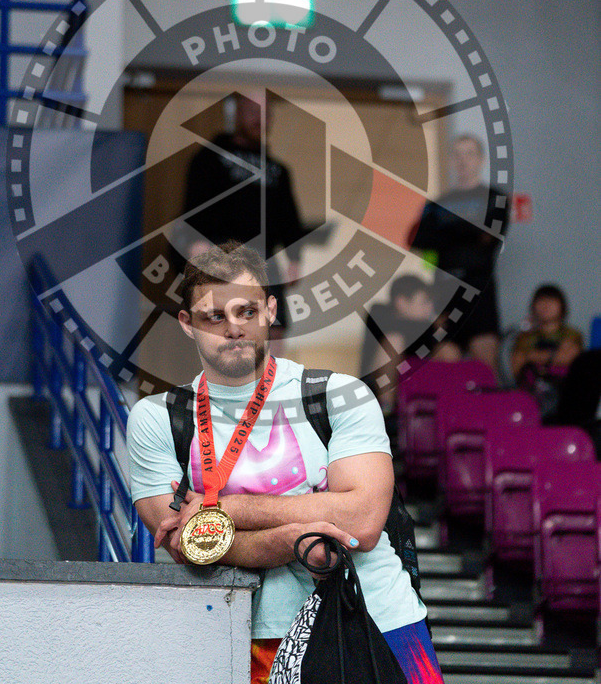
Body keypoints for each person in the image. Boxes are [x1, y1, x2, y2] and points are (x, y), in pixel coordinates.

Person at [127, 241, 445, 684]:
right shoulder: (157, 417)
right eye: (214, 316)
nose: (233, 328)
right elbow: (190, 548)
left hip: (375, 616)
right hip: (249, 634)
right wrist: (296, 537)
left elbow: (365, 521)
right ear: (187, 323)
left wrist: (226, 511)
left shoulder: (340, 395)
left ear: (271, 310)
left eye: (246, 312)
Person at [178, 91, 306, 344]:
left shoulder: (278, 171)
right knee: (223, 323)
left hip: (264, 257)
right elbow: (194, 205)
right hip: (223, 252)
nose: (260, 119)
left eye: (266, 114)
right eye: (252, 112)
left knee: (274, 328)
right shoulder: (210, 158)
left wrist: (295, 258)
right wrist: (196, 242)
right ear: (236, 114)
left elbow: (290, 220)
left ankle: (272, 383)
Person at [409, 134, 509, 371]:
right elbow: (417, 239)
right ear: (451, 160)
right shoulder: (437, 202)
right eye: (458, 154)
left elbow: (488, 238)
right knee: (445, 362)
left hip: (479, 291)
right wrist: (467, 231)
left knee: (484, 364)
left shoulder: (495, 198)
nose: (463, 160)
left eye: (470, 153)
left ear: (481, 160)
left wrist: (445, 232)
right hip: (443, 292)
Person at [361, 274, 461, 409]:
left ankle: (447, 408)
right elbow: (401, 329)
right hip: (376, 389)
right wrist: (434, 327)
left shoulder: (425, 330)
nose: (429, 308)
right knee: (394, 341)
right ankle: (385, 408)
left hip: (416, 385)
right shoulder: (381, 316)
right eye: (424, 302)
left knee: (447, 350)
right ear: (401, 302)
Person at [511, 284, 583, 419]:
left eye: (551, 300)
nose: (546, 305)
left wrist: (531, 356)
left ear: (562, 306)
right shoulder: (524, 336)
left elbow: (567, 358)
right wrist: (551, 357)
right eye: (541, 300)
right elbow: (517, 367)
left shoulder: (572, 334)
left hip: (564, 393)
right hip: (532, 395)